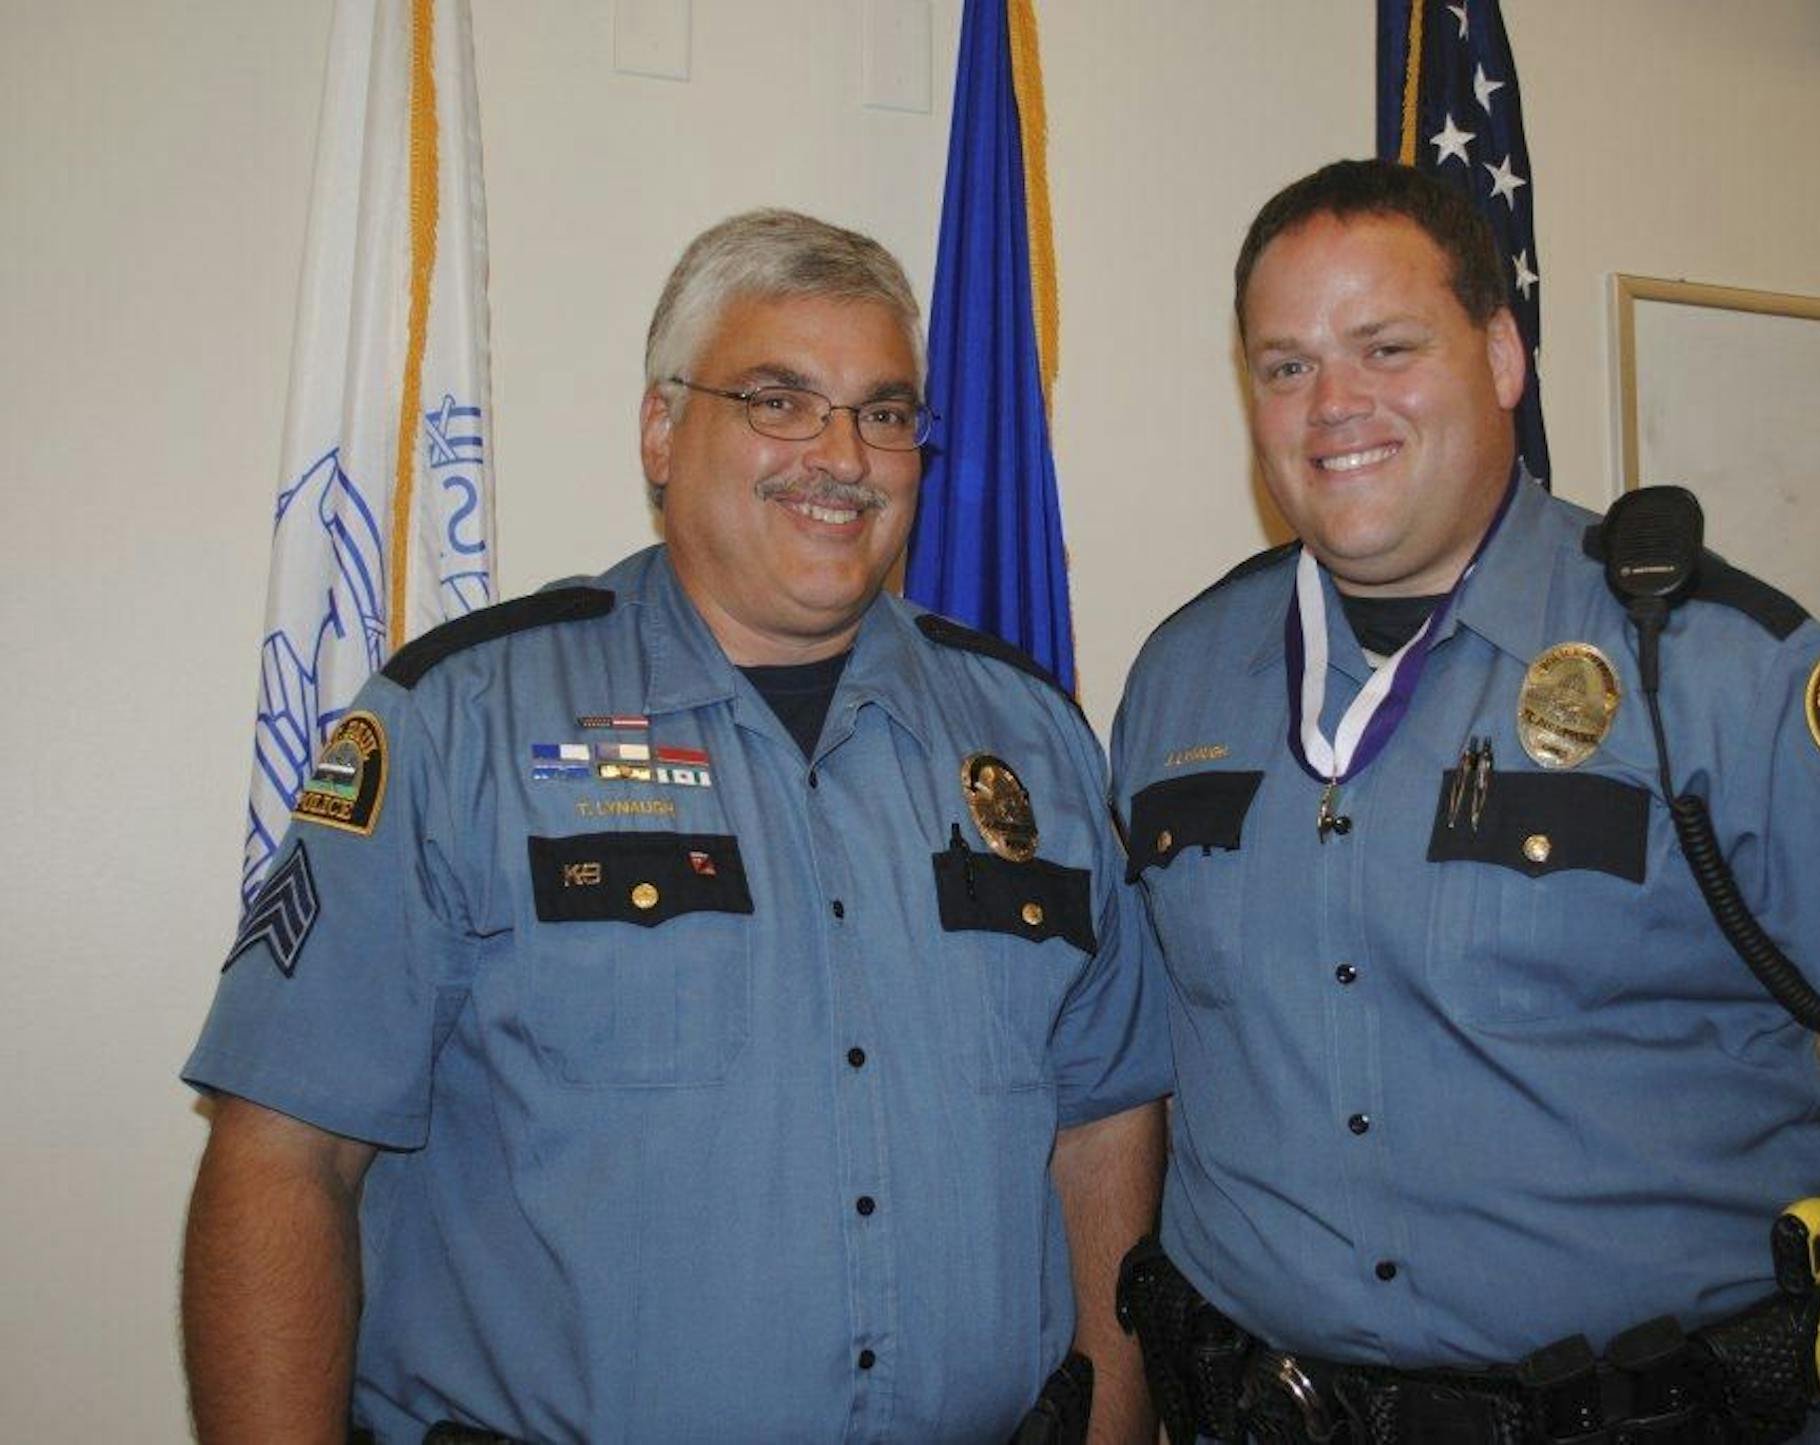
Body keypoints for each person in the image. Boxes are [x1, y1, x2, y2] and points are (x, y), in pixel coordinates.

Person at [1110, 160, 1820, 1443]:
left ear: (1501, 354)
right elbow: (1128, 1077)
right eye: (1286, 364)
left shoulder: (1709, 662)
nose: (1334, 404)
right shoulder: (1179, 676)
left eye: (1386, 345)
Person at [182, 209, 1168, 1445]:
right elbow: (284, 1163)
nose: (842, 454)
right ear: (661, 430)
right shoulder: (460, 725)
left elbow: (1107, 1118)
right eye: (778, 399)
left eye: (883, 410)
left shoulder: (1034, 743)